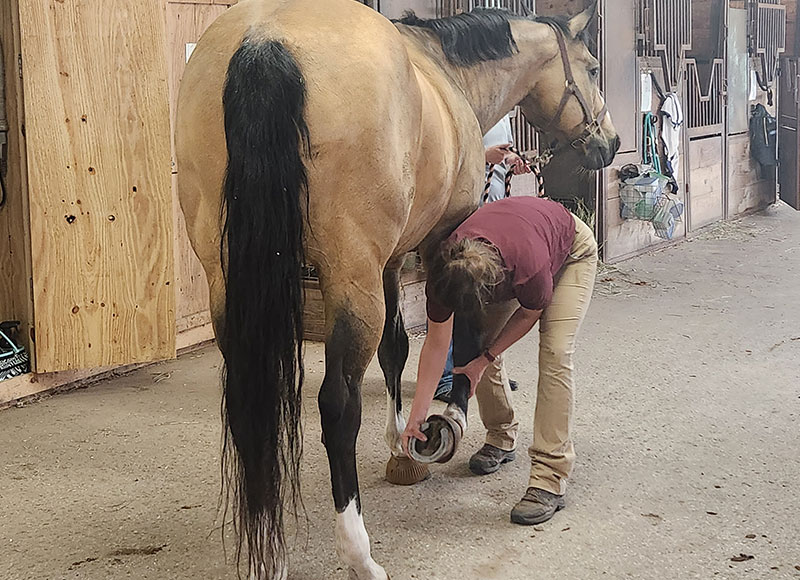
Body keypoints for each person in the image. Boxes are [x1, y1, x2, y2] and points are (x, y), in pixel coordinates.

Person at [402, 195, 598, 526]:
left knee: (555, 354)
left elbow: (529, 314)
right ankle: (501, 435)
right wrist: (416, 416)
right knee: (479, 349)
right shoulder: (446, 272)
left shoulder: (527, 268)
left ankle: (549, 477)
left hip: (571, 252)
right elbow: (436, 345)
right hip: (514, 242)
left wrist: (487, 356)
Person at [434, 112, 529, 402]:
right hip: (465, 212)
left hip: (493, 206)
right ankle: (444, 375)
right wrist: (483, 156)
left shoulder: (506, 111)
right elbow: (446, 153)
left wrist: (511, 160)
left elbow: (501, 150)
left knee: (486, 297)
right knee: (455, 292)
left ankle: (485, 371)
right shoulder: (468, 107)